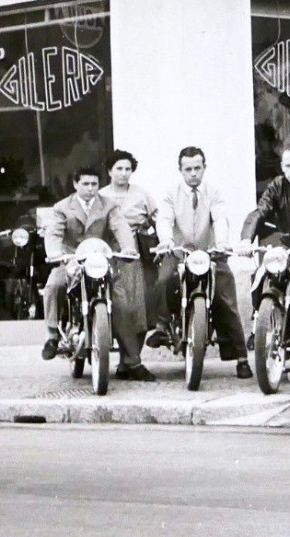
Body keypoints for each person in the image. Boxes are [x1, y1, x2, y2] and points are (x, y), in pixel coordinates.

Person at [42, 165, 150, 381]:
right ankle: (52, 335)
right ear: (75, 184)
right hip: (71, 260)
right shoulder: (62, 207)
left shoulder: (109, 206)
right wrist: (54, 253)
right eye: (85, 184)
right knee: (54, 285)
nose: (90, 188)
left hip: (100, 260)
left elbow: (120, 227)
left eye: (94, 184)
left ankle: (132, 361)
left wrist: (128, 248)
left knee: (122, 303)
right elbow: (53, 233)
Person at [152, 146, 251, 378]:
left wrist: (223, 242)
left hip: (211, 253)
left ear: (204, 168)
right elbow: (164, 219)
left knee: (226, 297)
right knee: (163, 281)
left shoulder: (213, 192)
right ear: (180, 170)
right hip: (178, 253)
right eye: (188, 169)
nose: (193, 173)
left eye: (198, 168)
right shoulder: (170, 194)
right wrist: (166, 240)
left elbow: (221, 218)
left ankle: (241, 357)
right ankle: (162, 325)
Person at [100, 149, 159, 362]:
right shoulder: (101, 196)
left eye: (128, 169)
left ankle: (130, 360)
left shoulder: (141, 194)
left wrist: (150, 231)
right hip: (109, 250)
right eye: (119, 169)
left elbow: (157, 219)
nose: (124, 173)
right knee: (116, 304)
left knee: (139, 306)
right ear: (110, 171)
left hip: (136, 251)